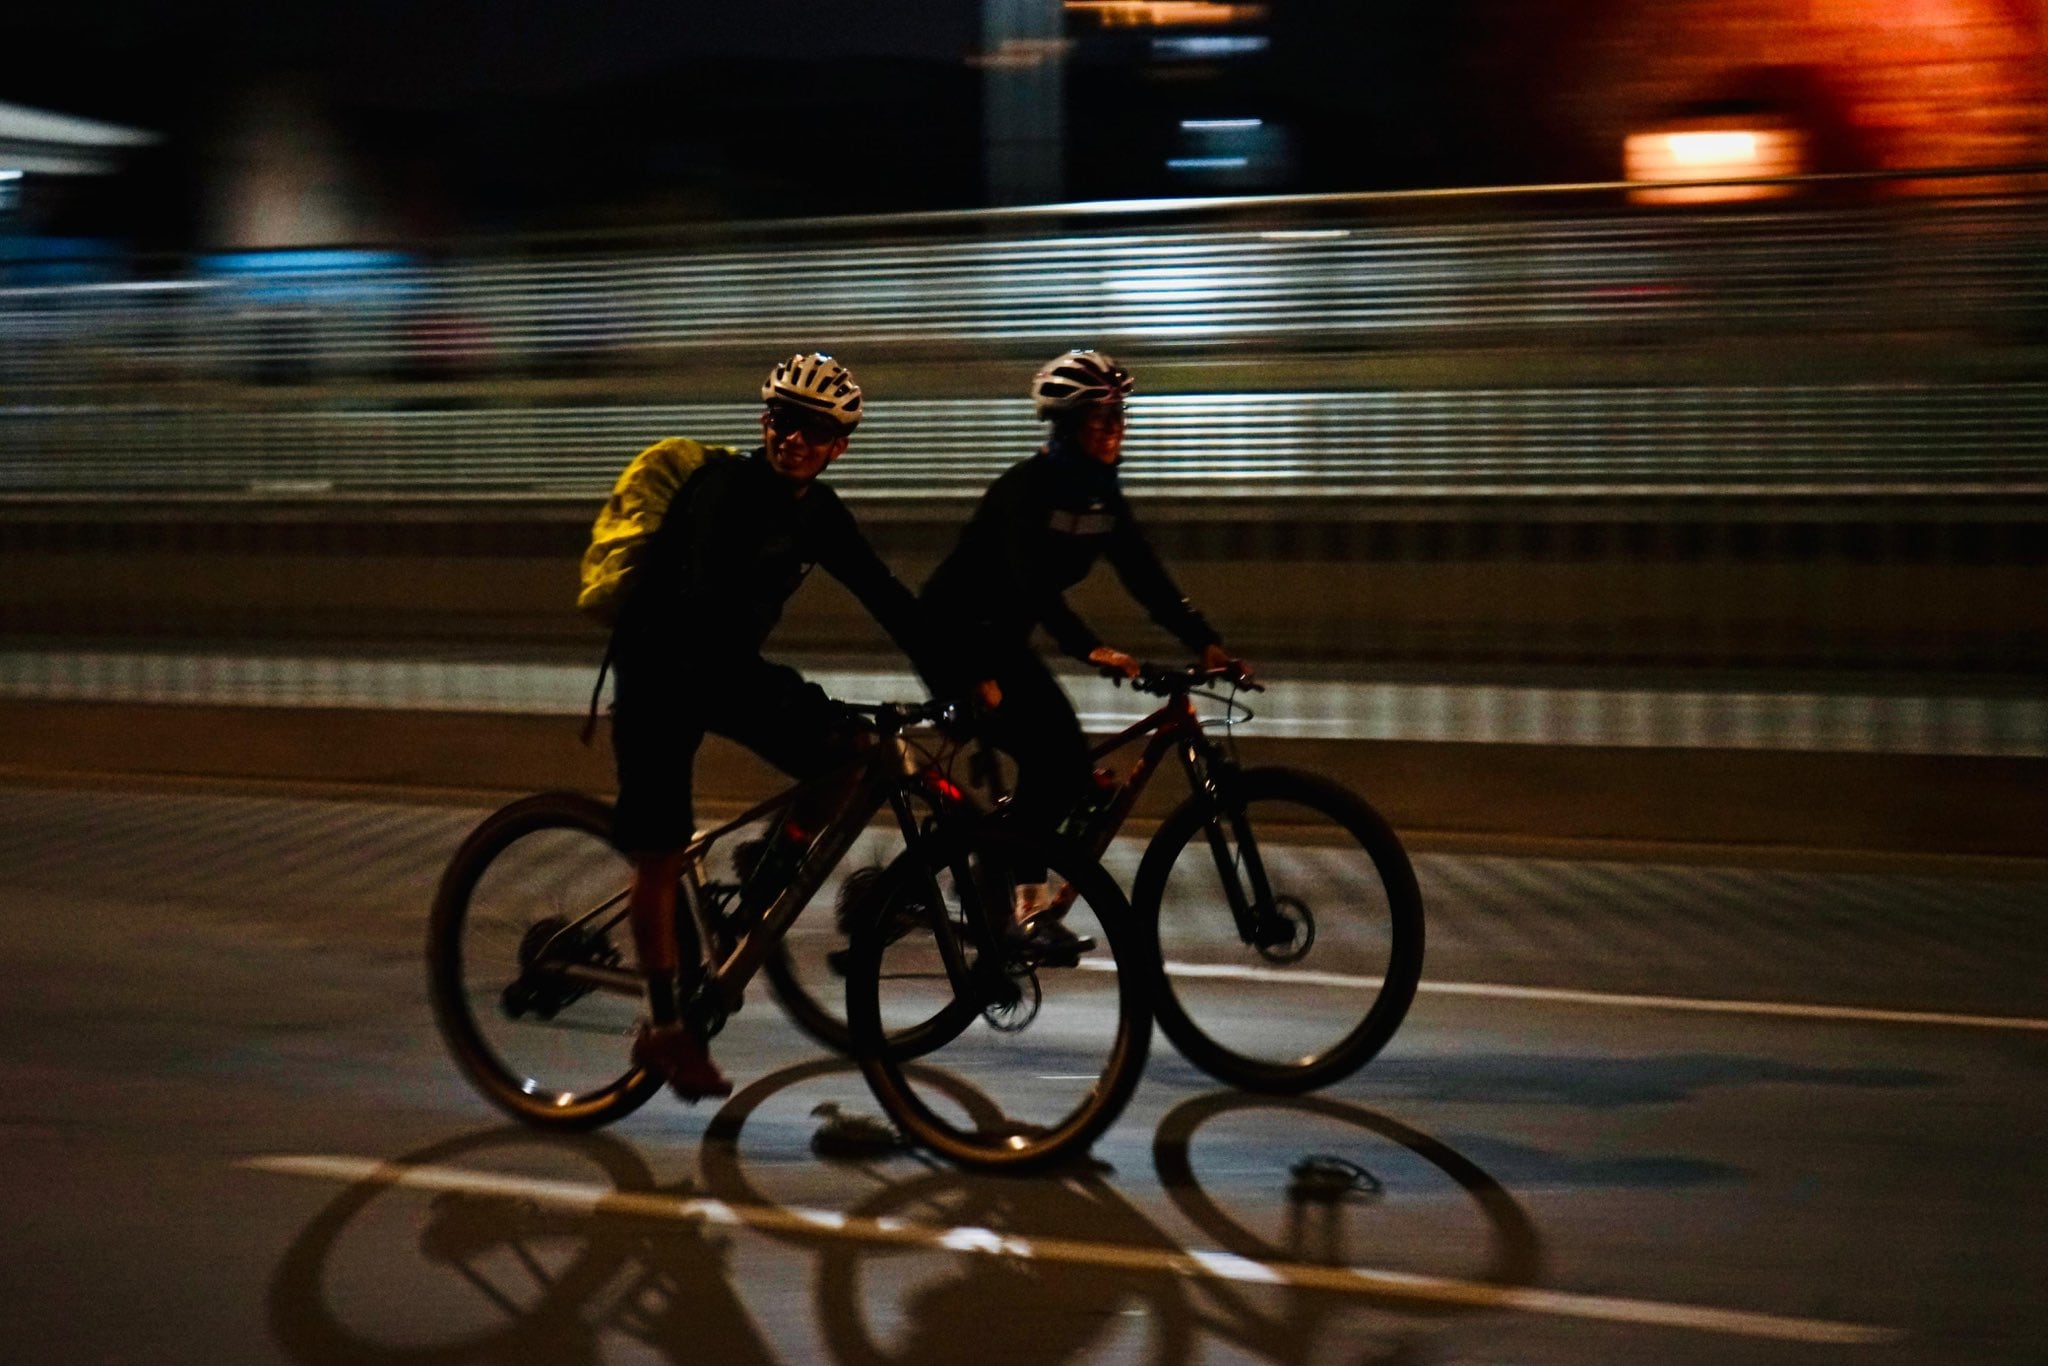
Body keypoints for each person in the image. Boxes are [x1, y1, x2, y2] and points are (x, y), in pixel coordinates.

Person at [608, 352, 956, 1102]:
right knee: (661, 853)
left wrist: (953, 678)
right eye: (787, 421)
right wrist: (783, 699)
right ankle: (663, 1029)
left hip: (723, 667)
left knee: (854, 754)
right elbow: (699, 613)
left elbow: (886, 595)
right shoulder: (723, 490)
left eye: (818, 430)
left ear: (840, 446)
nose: (797, 439)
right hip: (660, 669)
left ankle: (762, 876)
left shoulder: (819, 512)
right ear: (766, 422)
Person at [920, 349, 1253, 950]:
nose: (1115, 432)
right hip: (955, 641)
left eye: (1120, 420)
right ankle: (1025, 909)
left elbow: (1143, 574)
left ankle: (995, 877)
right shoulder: (1025, 491)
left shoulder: (1101, 496)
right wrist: (1091, 649)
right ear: (1069, 426)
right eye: (1102, 421)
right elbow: (1030, 585)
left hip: (1003, 642)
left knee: (1066, 768)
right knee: (1056, 763)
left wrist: (1204, 641)